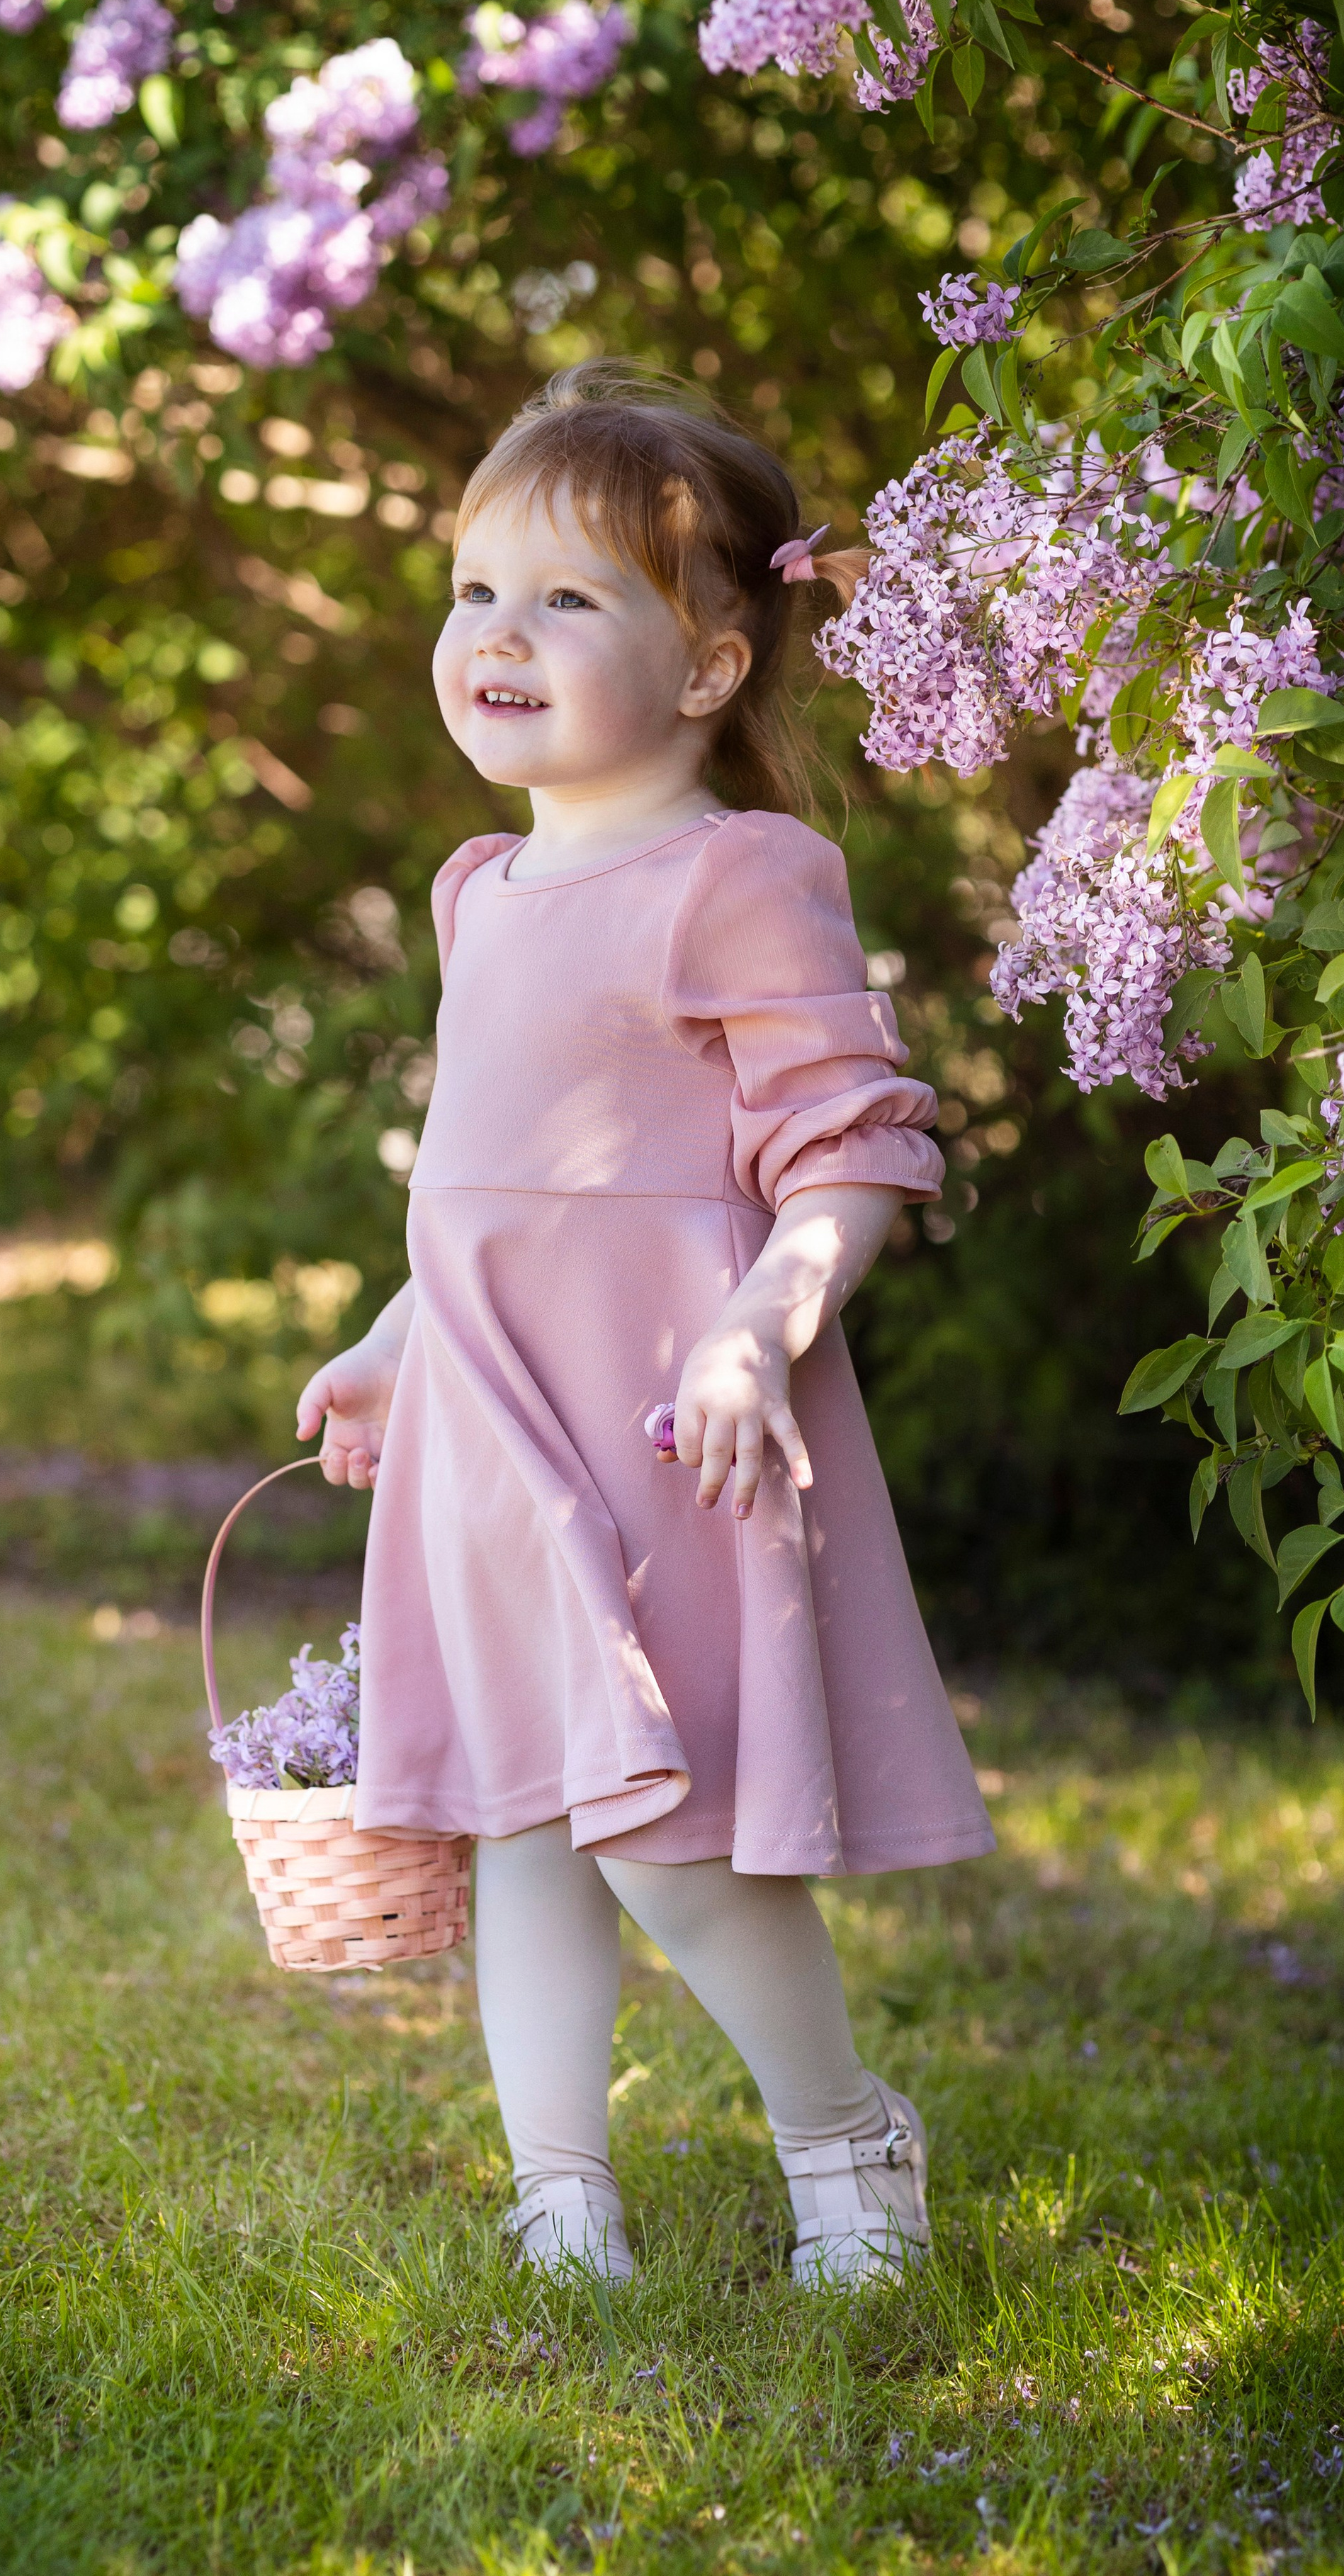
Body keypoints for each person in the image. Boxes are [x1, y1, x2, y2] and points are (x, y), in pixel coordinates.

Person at [296, 361, 993, 2287]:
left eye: (568, 599)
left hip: (673, 1429)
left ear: (704, 668)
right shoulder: (481, 893)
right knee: (528, 1812)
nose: (497, 636)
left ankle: (847, 2135)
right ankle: (557, 2189)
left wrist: (762, 1328)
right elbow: (493, 1195)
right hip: (496, 1438)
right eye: (473, 592)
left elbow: (849, 1153)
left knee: (666, 1832)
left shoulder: (744, 876)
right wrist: (394, 1332)